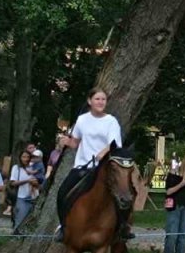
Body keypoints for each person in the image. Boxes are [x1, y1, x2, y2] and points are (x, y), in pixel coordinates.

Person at [54, 87, 131, 243]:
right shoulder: (82, 120)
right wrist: (65, 141)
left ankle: (123, 227)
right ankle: (63, 227)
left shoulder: (111, 121)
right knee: (62, 192)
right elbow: (75, 142)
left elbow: (114, 144)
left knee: (123, 193)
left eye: (103, 99)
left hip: (104, 168)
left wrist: (102, 154)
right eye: (97, 99)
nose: (101, 102)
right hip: (83, 166)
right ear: (90, 101)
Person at [8, 149, 39, 230]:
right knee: (20, 220)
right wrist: (27, 181)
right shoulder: (17, 168)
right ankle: (16, 237)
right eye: (23, 157)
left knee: (31, 221)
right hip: (21, 197)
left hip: (34, 197)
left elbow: (40, 183)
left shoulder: (33, 168)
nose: (26, 159)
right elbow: (13, 183)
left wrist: (36, 183)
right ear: (20, 158)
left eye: (28, 157)